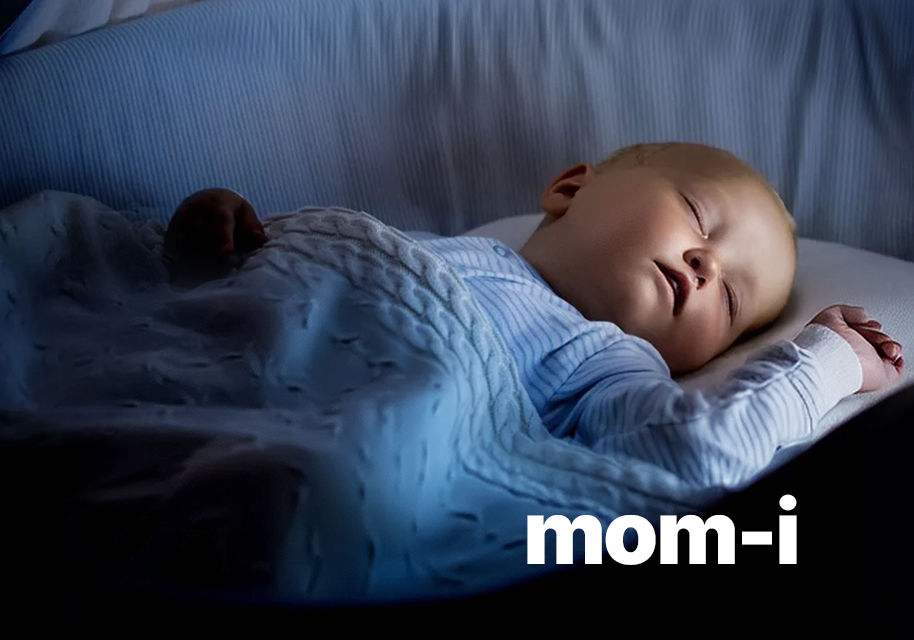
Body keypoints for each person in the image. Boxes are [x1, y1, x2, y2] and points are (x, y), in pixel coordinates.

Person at [163, 142, 904, 487]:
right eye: (698, 215)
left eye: (732, 299)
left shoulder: (608, 366)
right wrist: (218, 233)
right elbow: (280, 279)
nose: (708, 266)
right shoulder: (417, 249)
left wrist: (826, 361)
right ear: (571, 188)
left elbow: (696, 448)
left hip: (334, 455)